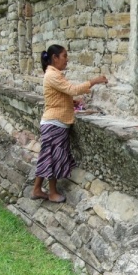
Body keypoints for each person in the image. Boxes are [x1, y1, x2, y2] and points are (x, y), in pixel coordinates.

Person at [31, 44, 107, 202]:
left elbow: (58, 95)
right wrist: (94, 81)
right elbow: (72, 89)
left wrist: (71, 103)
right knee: (53, 158)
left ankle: (37, 189)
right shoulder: (53, 75)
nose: (67, 60)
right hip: (54, 124)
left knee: (46, 156)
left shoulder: (52, 74)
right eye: (64, 56)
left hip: (53, 122)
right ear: (55, 58)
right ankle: (52, 193)